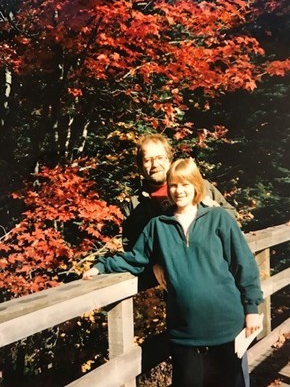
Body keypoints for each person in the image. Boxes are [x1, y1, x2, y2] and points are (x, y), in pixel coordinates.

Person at [83, 158, 263, 387]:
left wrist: (252, 308)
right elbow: (135, 258)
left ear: (197, 186)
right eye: (174, 185)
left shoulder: (218, 218)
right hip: (185, 331)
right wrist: (101, 266)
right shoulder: (158, 226)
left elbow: (244, 264)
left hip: (226, 327)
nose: (179, 191)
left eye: (185, 184)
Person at [121, 133, 237, 289]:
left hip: (214, 276)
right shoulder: (135, 205)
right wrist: (154, 263)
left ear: (169, 159)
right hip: (170, 286)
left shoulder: (197, 186)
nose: (155, 164)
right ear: (141, 166)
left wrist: (215, 210)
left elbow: (232, 215)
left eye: (160, 157)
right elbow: (132, 247)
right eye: (148, 160)